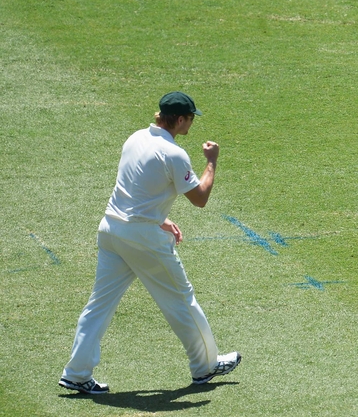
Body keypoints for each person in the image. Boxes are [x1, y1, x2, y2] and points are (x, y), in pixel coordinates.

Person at [58, 92, 241, 394]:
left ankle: (76, 372)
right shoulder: (173, 153)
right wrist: (211, 162)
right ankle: (206, 366)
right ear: (180, 119)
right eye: (190, 118)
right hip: (142, 238)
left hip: (111, 230)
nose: (191, 123)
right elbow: (200, 198)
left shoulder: (135, 138)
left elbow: (137, 189)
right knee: (182, 300)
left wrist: (159, 218)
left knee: (99, 305)